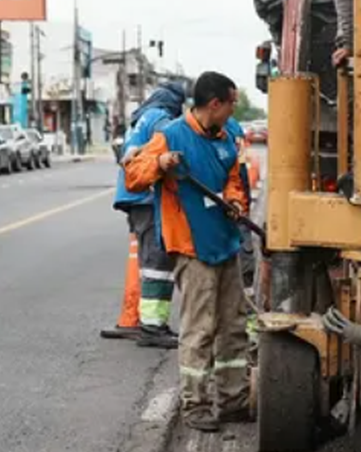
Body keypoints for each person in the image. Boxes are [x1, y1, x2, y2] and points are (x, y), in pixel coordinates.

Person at [125, 72, 250, 432]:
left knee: (234, 326)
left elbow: (232, 179)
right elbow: (133, 174)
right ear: (215, 104)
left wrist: (234, 201)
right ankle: (195, 405)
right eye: (231, 103)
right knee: (199, 329)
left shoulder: (227, 138)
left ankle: (233, 401)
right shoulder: (172, 135)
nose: (233, 110)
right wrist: (160, 164)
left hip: (225, 242)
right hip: (192, 247)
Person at [102, 80, 190, 350]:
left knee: (148, 260)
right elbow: (174, 141)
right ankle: (153, 327)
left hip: (133, 196)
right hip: (147, 195)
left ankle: (146, 322)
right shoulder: (160, 118)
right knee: (157, 262)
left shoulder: (141, 118)